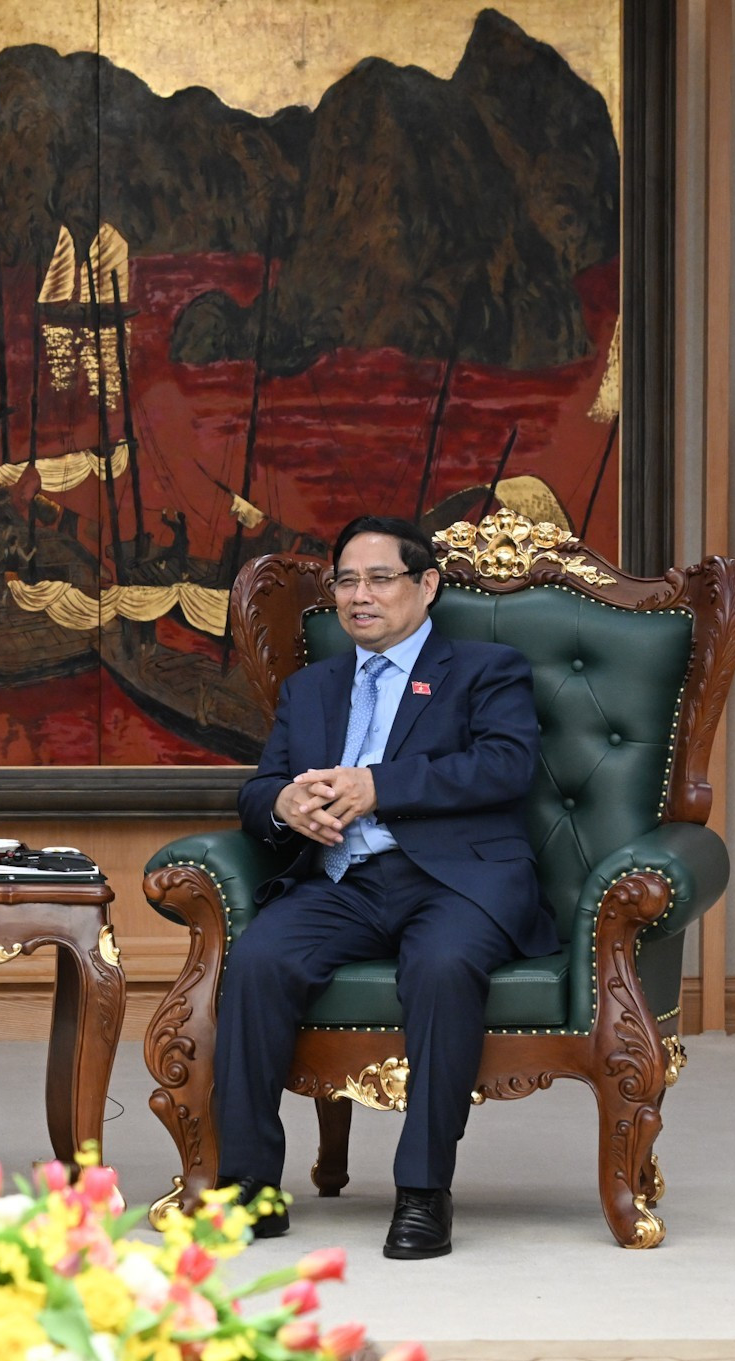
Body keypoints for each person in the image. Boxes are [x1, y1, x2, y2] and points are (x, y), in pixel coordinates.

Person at [215, 515, 556, 1259]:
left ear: (426, 585)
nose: (358, 595)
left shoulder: (485, 668)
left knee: (440, 967)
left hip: (454, 879)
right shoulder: (312, 688)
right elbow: (261, 786)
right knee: (258, 960)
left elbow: (505, 767)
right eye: (345, 580)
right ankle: (248, 1186)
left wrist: (379, 785)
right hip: (344, 880)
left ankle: (424, 1191)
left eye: (378, 578)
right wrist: (282, 805)